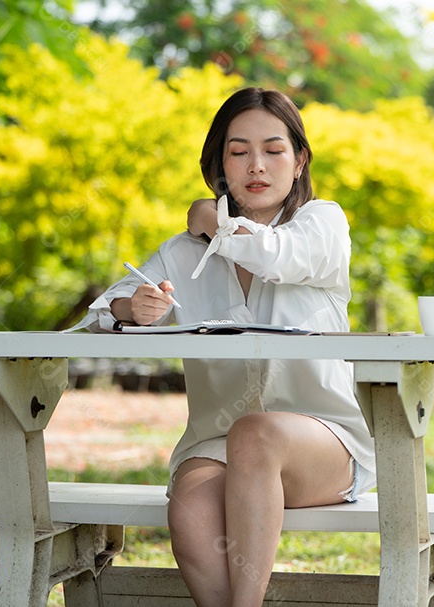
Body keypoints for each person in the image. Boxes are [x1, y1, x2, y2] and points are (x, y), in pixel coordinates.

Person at [72, 87, 375, 606]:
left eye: (273, 150)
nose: (256, 165)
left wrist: (215, 218)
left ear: (299, 160)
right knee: (189, 501)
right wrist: (134, 307)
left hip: (326, 444)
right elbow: (102, 312)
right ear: (220, 164)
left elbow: (278, 257)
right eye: (239, 151)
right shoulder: (184, 253)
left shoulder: (322, 224)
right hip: (215, 443)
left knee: (255, 433)